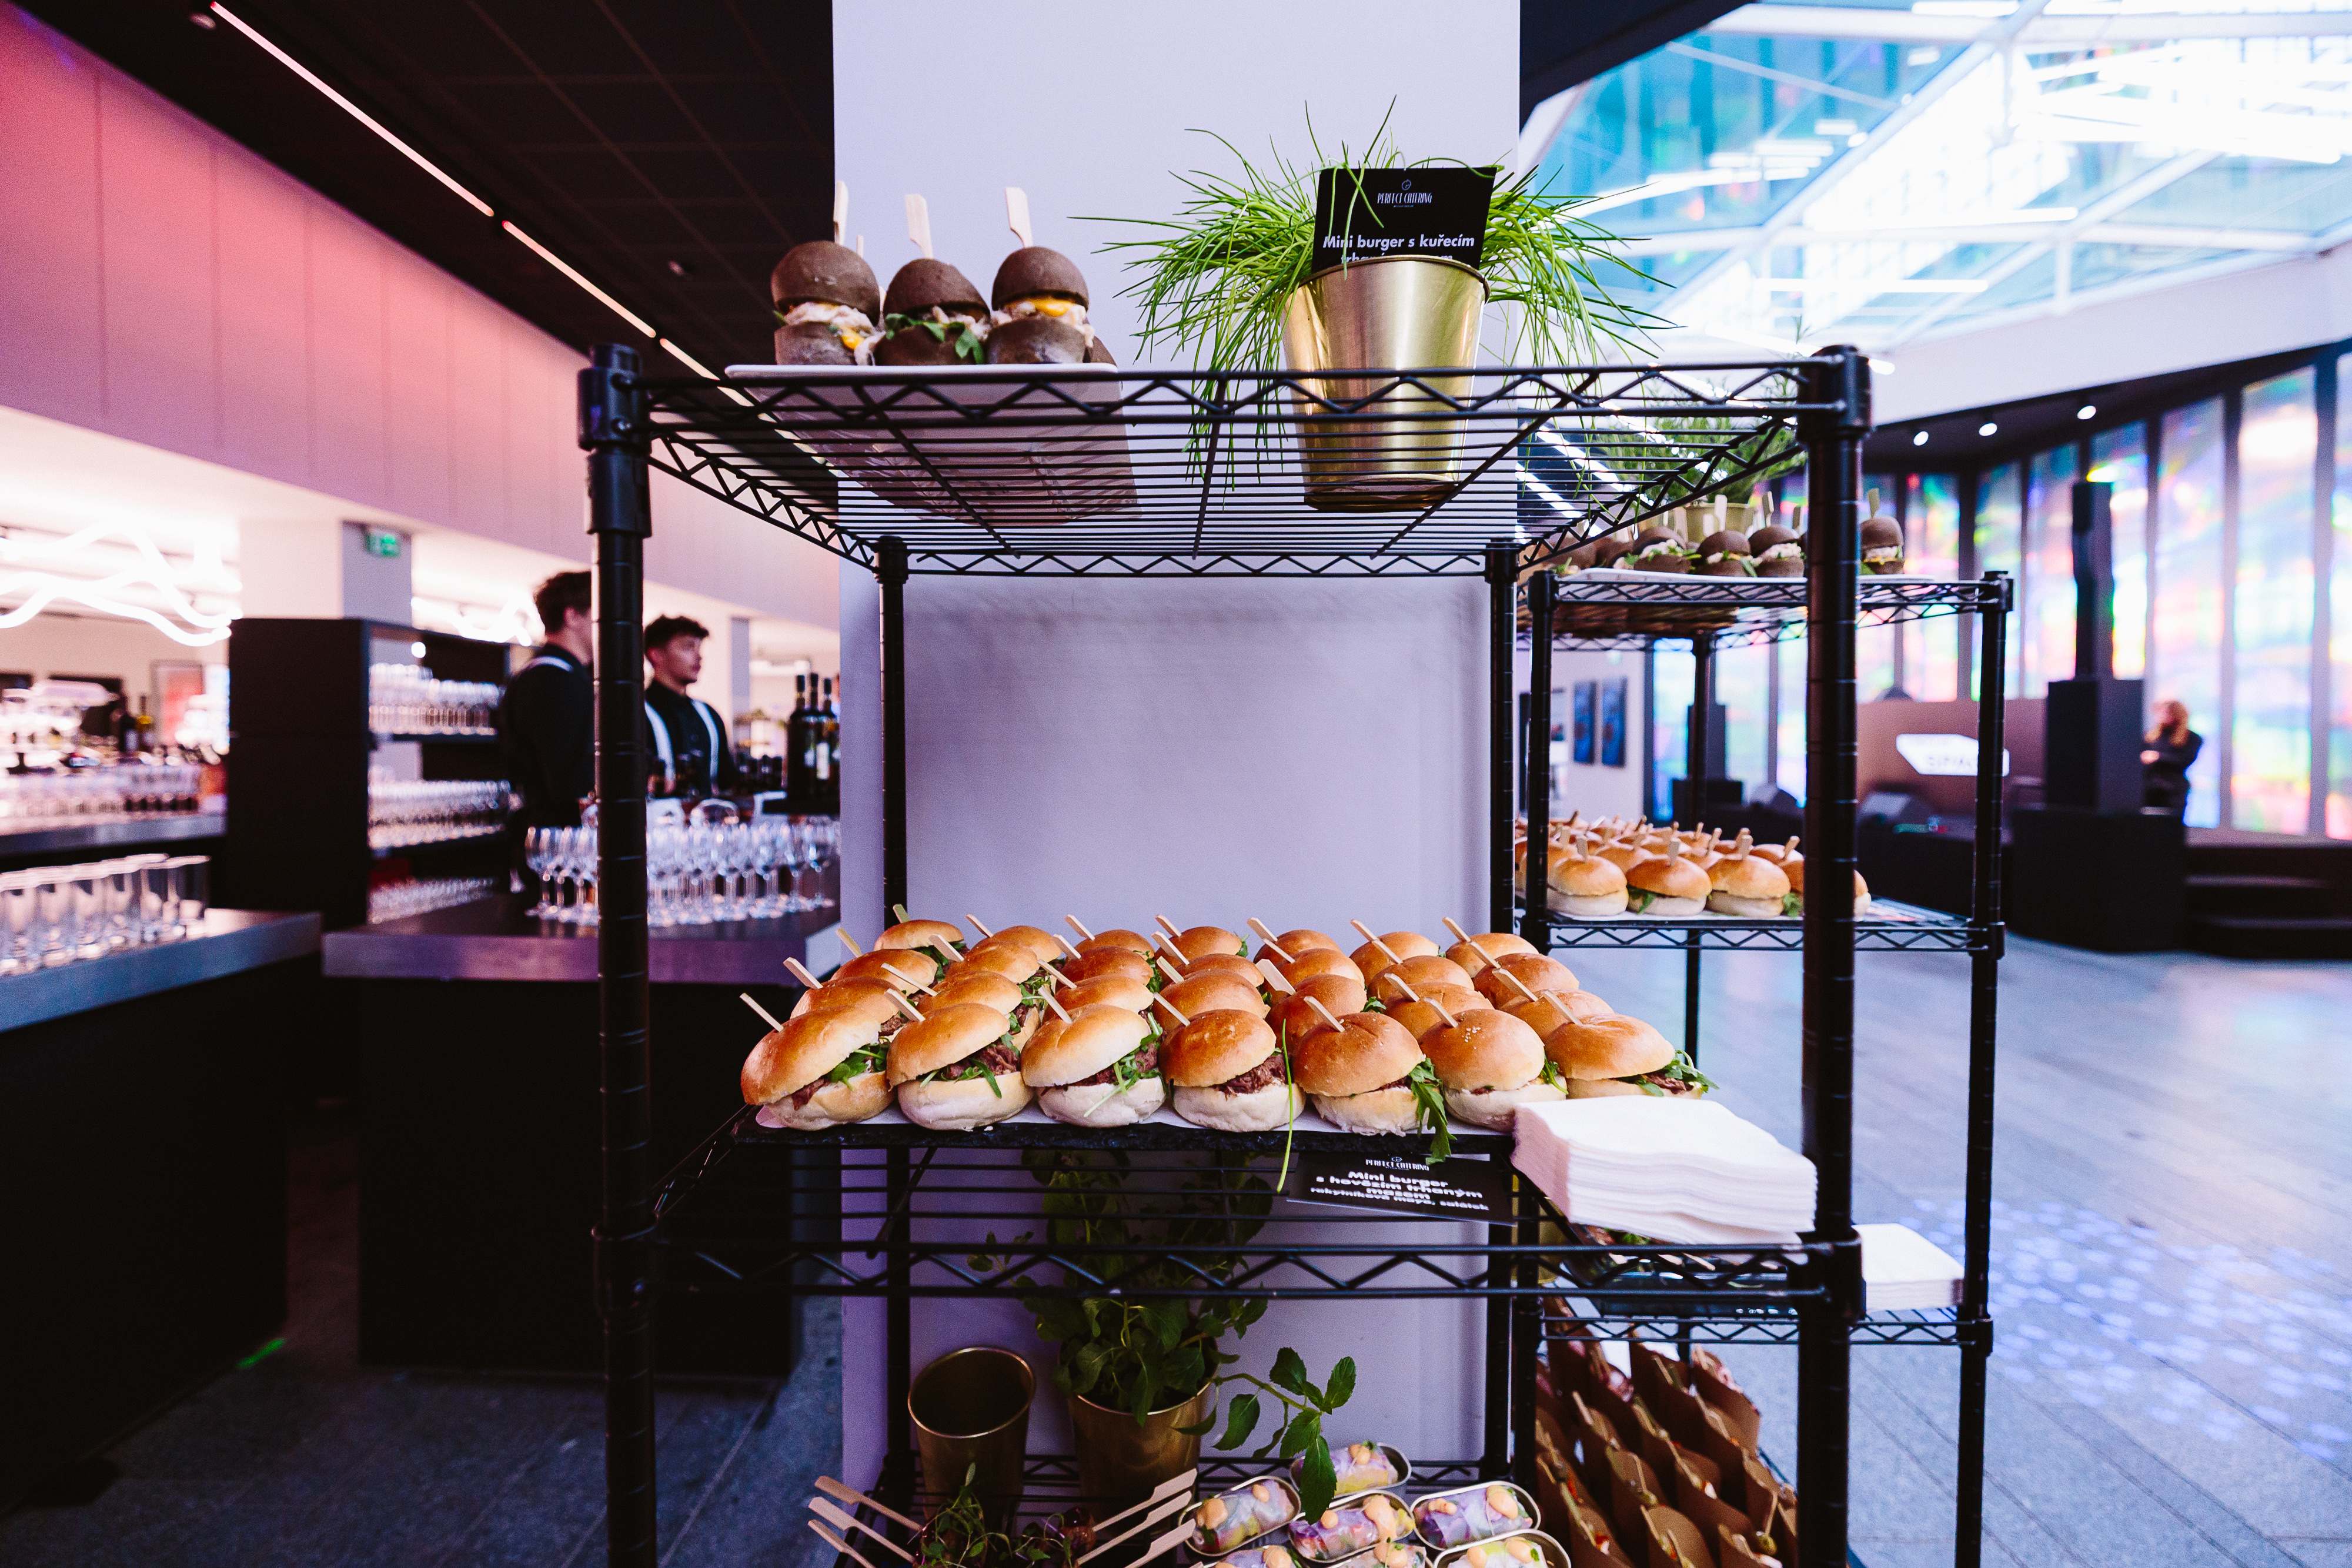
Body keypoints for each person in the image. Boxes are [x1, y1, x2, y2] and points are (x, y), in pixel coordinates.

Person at [498, 571, 594, 827]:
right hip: (557, 839)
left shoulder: (557, 674)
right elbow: (569, 780)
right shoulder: (553, 678)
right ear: (572, 616)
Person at [643, 613, 737, 801]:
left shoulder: (709, 714)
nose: (699, 656)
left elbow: (727, 780)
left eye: (699, 647)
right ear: (657, 655)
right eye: (688, 647)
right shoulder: (636, 713)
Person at [2141, 699, 2203, 814]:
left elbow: (2185, 760)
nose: (2162, 716)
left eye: (2167, 713)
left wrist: (2158, 757)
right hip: (2149, 789)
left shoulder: (2192, 738)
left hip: (2173, 791)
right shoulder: (2149, 736)